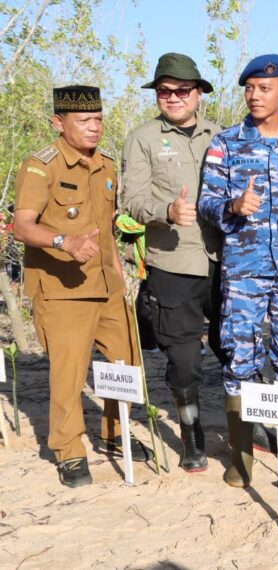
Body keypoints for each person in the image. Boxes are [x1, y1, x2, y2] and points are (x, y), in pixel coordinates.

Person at [12, 85, 153, 487]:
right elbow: (22, 225)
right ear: (59, 122)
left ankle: (114, 432)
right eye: (84, 121)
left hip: (106, 285)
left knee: (126, 364)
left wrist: (118, 279)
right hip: (62, 289)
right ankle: (69, 450)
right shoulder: (41, 166)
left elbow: (106, 230)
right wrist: (63, 241)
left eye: (98, 120)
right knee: (69, 374)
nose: (94, 129)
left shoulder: (105, 165)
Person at [199, 54, 278, 488]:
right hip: (243, 271)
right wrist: (232, 206)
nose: (255, 95)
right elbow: (206, 203)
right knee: (240, 357)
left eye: (265, 88)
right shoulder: (224, 143)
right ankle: (240, 458)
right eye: (250, 88)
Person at [121, 52, 225, 473]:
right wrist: (165, 210)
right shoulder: (143, 138)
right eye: (165, 91)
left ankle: (246, 425)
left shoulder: (221, 136)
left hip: (223, 260)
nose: (173, 97)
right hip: (173, 264)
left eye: (182, 90)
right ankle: (192, 434)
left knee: (237, 348)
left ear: (199, 93)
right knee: (184, 359)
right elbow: (130, 200)